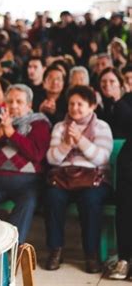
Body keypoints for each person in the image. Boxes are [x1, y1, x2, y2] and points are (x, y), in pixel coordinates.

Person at [0, 84, 51, 244]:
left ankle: (11, 250)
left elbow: (37, 154)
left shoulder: (38, 124)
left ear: (29, 105)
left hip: (26, 183)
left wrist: (12, 134)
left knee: (28, 203)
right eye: (10, 101)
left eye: (19, 102)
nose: (13, 106)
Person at [44, 85, 113, 273]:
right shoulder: (60, 127)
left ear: (92, 106)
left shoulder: (102, 127)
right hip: (64, 177)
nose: (75, 108)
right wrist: (66, 144)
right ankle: (55, 251)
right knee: (52, 197)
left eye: (80, 104)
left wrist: (80, 140)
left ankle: (91, 254)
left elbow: (102, 158)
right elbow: (51, 159)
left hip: (93, 178)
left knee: (90, 200)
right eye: (71, 104)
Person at [109, 91, 132, 279]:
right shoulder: (128, 99)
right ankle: (124, 259)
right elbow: (124, 121)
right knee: (125, 206)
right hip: (130, 160)